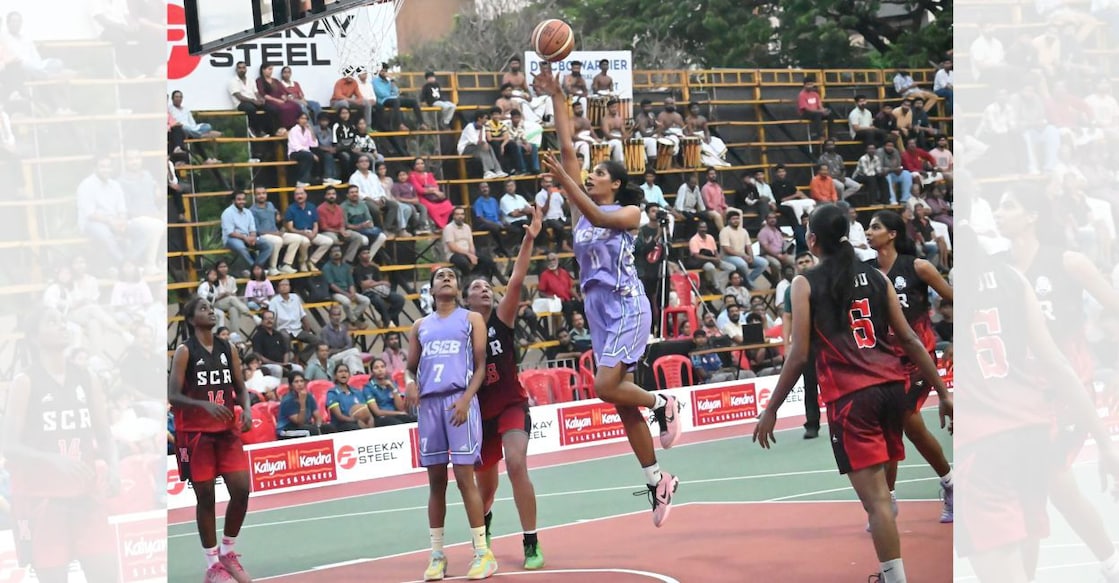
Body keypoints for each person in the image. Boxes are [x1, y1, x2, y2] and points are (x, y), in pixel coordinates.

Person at [752, 204, 953, 583]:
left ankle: (895, 578)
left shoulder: (804, 283)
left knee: (877, 502)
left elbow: (797, 354)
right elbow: (909, 339)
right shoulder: (877, 276)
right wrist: (943, 392)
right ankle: (891, 570)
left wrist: (772, 408)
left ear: (812, 239)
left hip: (852, 397)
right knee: (881, 496)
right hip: (893, 389)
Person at [536, 69, 682, 528]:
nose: (591, 175)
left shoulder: (628, 211)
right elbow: (565, 148)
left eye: (599, 172)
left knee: (603, 386)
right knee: (621, 402)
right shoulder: (584, 216)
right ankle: (658, 479)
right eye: (590, 172)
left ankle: (664, 404)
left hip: (627, 305)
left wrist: (566, 182)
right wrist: (558, 95)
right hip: (600, 315)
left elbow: (594, 208)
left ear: (615, 183)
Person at [992, 186, 1119, 582]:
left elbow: (1113, 305)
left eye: (1008, 204)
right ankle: (1110, 558)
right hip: (1023, 390)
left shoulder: (1067, 261)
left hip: (1067, 387)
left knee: (1040, 483)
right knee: (1046, 490)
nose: (999, 213)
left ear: (1031, 216)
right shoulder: (996, 270)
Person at [3, 308, 120, 583]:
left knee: (106, 574)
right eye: (52, 322)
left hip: (86, 495)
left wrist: (114, 467)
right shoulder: (25, 381)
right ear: (35, 336)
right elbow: (8, 446)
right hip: (43, 501)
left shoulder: (86, 376)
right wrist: (54, 459)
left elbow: (104, 434)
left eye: (63, 321)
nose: (62, 326)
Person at [463, 204, 545, 570]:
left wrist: (528, 239)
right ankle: (486, 531)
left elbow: (515, 278)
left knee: (516, 464)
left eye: (486, 286)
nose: (485, 289)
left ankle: (531, 542)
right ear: (467, 300)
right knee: (488, 488)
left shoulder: (501, 319)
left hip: (511, 405)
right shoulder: (459, 331)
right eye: (477, 287)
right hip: (480, 416)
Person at [404, 267, 496, 580]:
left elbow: (481, 366)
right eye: (440, 276)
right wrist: (408, 382)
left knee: (464, 478)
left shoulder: (471, 320)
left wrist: (467, 398)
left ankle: (483, 553)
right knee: (435, 483)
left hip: (459, 401)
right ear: (430, 290)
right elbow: (410, 368)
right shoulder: (420, 326)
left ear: (457, 288)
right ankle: (437, 555)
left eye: (451, 277)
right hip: (429, 406)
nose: (446, 279)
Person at [865, 210, 955, 525]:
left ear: (892, 234)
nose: (868, 231)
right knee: (910, 428)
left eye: (875, 227)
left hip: (919, 357)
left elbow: (957, 300)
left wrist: (956, 341)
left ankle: (887, 500)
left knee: (898, 419)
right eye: (867, 227)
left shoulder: (918, 267)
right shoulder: (866, 274)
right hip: (885, 361)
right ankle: (950, 482)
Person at [168, 297, 254, 583]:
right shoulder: (184, 351)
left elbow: (240, 388)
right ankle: (211, 566)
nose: (210, 311)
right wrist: (203, 405)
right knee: (205, 496)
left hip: (226, 432)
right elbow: (173, 396)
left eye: (211, 308)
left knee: (241, 490)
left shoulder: (227, 347)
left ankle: (227, 552)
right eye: (203, 308)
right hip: (195, 435)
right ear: (192, 319)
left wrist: (247, 409)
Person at [780, 252, 821, 439]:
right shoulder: (791, 290)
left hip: (830, 341)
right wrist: (787, 343)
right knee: (810, 384)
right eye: (800, 262)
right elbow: (787, 316)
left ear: (814, 262)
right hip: (807, 342)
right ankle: (812, 424)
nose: (804, 264)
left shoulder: (825, 282)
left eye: (807, 261)